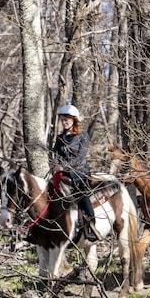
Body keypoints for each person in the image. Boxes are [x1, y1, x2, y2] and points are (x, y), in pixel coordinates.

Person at [50, 104, 97, 242]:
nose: (64, 122)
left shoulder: (83, 136)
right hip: (62, 174)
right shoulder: (59, 138)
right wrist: (54, 164)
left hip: (79, 174)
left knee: (82, 194)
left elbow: (80, 158)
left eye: (67, 120)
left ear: (74, 120)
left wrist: (63, 167)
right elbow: (55, 155)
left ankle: (91, 225)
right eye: (63, 120)